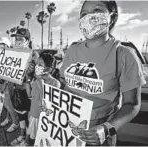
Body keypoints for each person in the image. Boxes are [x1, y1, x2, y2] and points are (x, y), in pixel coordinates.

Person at [58, 0, 147, 146]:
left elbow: (132, 105)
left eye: (97, 10)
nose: (89, 17)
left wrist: (107, 129)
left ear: (112, 17)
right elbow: (62, 84)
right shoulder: (72, 50)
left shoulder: (125, 55)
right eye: (84, 13)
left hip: (98, 135)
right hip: (65, 126)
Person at [20, 53, 61, 146]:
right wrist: (28, 79)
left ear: (49, 69)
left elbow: (49, 104)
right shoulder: (37, 80)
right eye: (37, 63)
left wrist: (40, 83)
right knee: (30, 135)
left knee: (37, 139)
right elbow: (30, 95)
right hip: (33, 114)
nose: (36, 66)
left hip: (43, 118)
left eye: (40, 64)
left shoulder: (55, 83)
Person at [10, 28, 34, 146]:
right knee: (20, 115)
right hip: (16, 89)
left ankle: (27, 140)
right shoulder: (14, 52)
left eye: (21, 38)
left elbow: (38, 75)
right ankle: (22, 135)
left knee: (29, 117)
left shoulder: (33, 54)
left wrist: (31, 72)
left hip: (27, 90)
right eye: (16, 38)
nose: (18, 40)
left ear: (27, 40)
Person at [0, 37, 19, 132]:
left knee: (8, 104)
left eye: (0, 44)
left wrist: (4, 84)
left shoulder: (11, 56)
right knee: (3, 104)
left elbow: (10, 73)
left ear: (6, 45)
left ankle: (16, 122)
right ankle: (8, 118)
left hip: (7, 84)